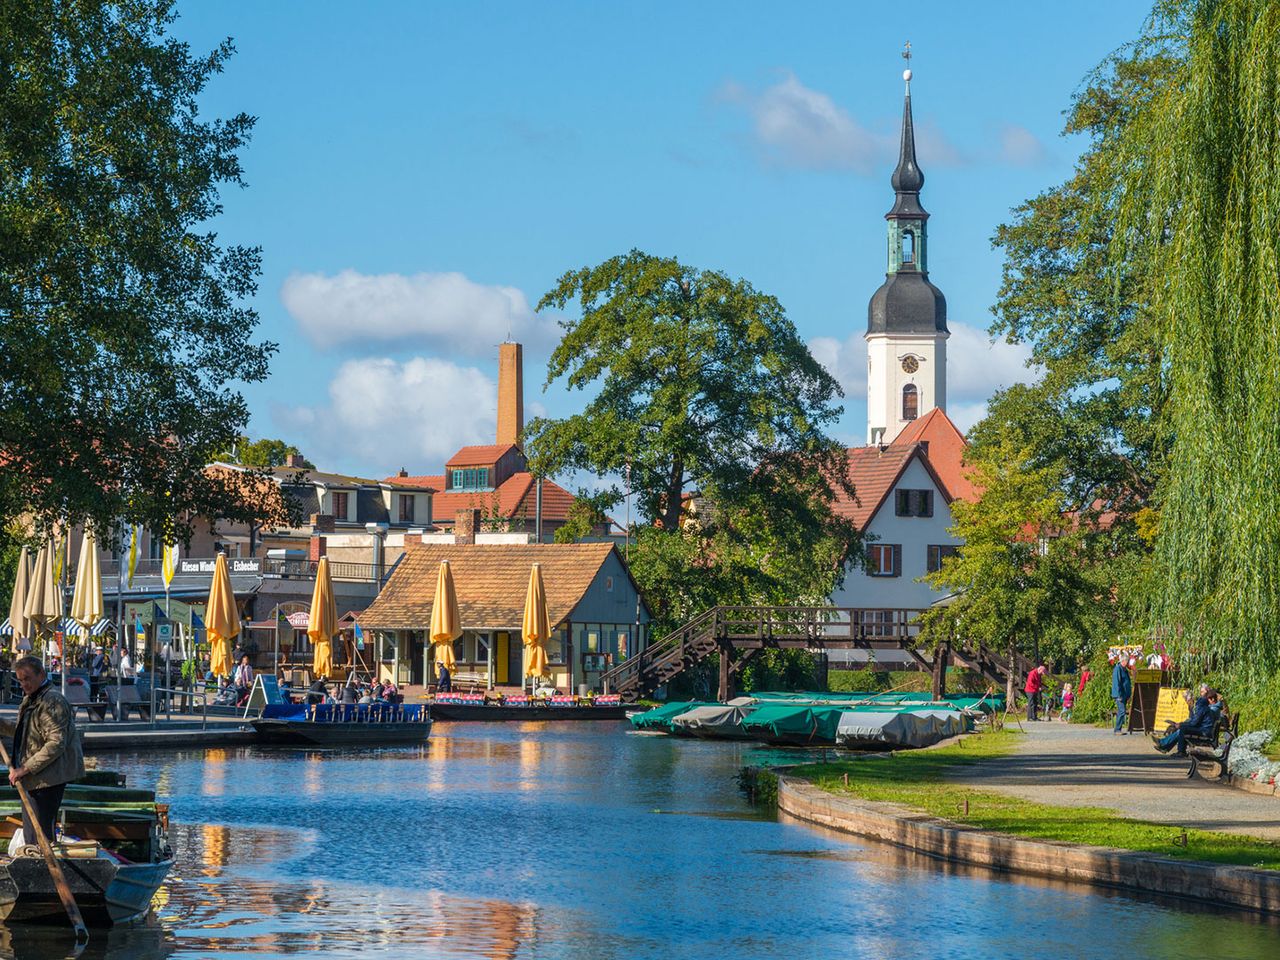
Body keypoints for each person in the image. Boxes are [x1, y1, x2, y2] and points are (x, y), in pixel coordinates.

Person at [0, 656, 86, 846]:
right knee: (32, 832)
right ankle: (35, 857)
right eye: (20, 680)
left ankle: (41, 860)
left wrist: (24, 769)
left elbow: (56, 743)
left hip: (48, 778)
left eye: (27, 678)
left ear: (41, 675)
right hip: (34, 777)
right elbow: (27, 733)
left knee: (39, 833)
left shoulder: (52, 701)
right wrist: (2, 726)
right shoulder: (31, 699)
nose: (24, 684)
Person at [1154, 689, 1221, 756]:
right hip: (1205, 729)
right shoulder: (1205, 707)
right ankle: (1164, 746)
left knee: (1183, 729)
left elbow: (1194, 723)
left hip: (1204, 731)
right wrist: (1183, 723)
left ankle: (1179, 751)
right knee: (1182, 728)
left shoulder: (1203, 708)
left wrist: (1181, 725)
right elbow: (1195, 720)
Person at [1111, 654, 1132, 735]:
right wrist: (1118, 695)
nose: (1128, 663)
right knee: (1122, 711)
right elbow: (1117, 683)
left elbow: (1127, 682)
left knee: (1121, 711)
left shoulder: (1124, 669)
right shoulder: (1118, 669)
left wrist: (1128, 695)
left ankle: (1118, 729)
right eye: (1127, 661)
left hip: (1124, 695)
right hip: (1119, 695)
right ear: (1123, 661)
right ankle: (1117, 730)